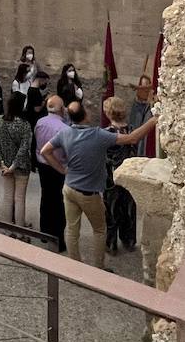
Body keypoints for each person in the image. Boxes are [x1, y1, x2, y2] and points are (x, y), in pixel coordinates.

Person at [39, 99, 156, 269]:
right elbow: (132, 138)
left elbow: (45, 151)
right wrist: (153, 120)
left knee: (72, 229)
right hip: (89, 193)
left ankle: (74, 265)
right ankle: (98, 268)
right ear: (85, 115)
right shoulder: (97, 135)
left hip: (69, 188)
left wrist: (62, 170)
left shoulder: (65, 133)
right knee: (100, 230)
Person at [32, 94, 70, 252]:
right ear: (61, 109)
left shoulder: (40, 122)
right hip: (58, 167)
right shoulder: (64, 129)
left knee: (46, 196)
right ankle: (59, 239)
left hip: (43, 165)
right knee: (59, 202)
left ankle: (44, 230)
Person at [102, 97, 139, 255]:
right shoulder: (132, 129)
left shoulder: (107, 133)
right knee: (128, 207)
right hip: (130, 173)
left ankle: (111, 244)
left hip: (112, 176)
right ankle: (129, 240)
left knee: (111, 209)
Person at [0, 93, 33, 228]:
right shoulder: (24, 124)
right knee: (19, 199)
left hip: (5, 165)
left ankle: (7, 229)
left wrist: (3, 164)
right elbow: (24, 148)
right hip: (21, 166)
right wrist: (14, 165)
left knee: (7, 198)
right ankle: (20, 229)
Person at [129, 74, 159, 157]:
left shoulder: (151, 107)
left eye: (145, 87)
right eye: (142, 86)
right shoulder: (137, 103)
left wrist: (138, 87)